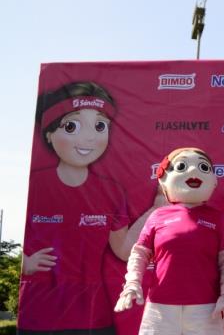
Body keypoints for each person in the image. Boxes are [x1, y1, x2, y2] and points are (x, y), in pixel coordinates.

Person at [19, 81, 163, 334]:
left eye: (99, 126)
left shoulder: (111, 190)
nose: (89, 137)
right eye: (72, 126)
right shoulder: (37, 184)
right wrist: (25, 263)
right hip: (39, 315)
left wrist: (157, 208)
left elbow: (123, 250)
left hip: (93, 317)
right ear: (49, 134)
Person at [114, 147, 224, 334]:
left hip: (206, 310)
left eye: (203, 167)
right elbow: (139, 253)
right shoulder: (157, 216)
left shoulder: (217, 219)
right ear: (163, 178)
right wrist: (132, 282)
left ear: (213, 181)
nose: (193, 172)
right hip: (160, 308)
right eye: (182, 166)